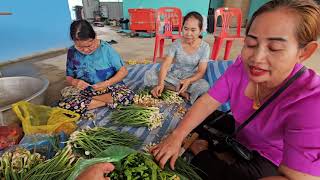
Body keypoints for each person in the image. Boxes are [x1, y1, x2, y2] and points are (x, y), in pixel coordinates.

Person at [150, 0, 320, 179]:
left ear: (304, 52)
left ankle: (201, 150)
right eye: (251, 44)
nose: (257, 58)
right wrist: (176, 137)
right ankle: (213, 150)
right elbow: (208, 101)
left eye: (275, 48)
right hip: (241, 132)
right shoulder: (242, 65)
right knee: (195, 114)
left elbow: (295, 177)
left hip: (268, 157)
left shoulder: (311, 101)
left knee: (218, 171)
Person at [58, 20, 134, 114]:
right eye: (80, 47)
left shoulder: (106, 49)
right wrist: (74, 81)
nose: (85, 50)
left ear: (95, 37)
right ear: (74, 42)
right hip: (84, 89)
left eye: (89, 45)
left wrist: (106, 83)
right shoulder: (72, 52)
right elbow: (69, 76)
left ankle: (96, 101)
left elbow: (123, 71)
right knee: (64, 103)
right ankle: (108, 102)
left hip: (108, 87)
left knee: (127, 95)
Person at [144, 11, 210, 104]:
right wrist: (160, 83)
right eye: (186, 29)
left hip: (190, 78)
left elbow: (201, 72)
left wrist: (188, 80)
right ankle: (181, 92)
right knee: (149, 75)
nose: (188, 33)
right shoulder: (176, 44)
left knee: (204, 86)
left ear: (200, 31)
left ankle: (175, 89)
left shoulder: (205, 47)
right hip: (174, 75)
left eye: (193, 30)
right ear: (182, 28)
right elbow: (166, 65)